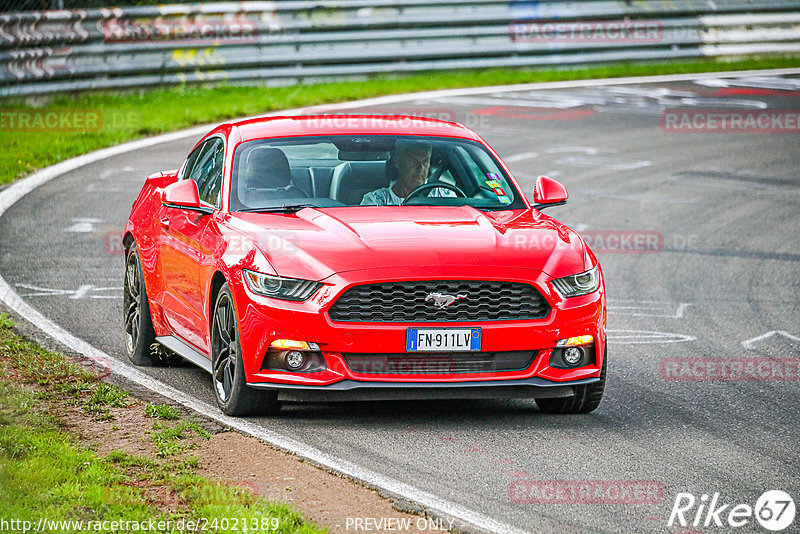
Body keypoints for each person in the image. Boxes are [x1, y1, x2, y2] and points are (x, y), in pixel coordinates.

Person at [361, 140, 454, 205]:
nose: (420, 167)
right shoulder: (376, 200)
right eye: (413, 161)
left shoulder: (443, 195)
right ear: (397, 162)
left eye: (425, 162)